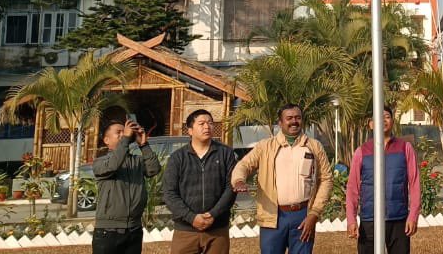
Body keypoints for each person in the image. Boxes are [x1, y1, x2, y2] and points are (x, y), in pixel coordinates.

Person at [232, 104, 334, 254]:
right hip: (273, 216)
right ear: (280, 123)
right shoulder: (265, 146)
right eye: (289, 118)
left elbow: (326, 179)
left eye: (298, 118)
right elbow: (244, 165)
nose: (294, 121)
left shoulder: (314, 146)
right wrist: (239, 180)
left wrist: (314, 213)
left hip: (303, 215)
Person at [346, 106, 421, 254]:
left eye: (386, 116)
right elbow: (352, 188)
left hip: (398, 218)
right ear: (371, 124)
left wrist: (413, 216)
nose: (383, 120)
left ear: (392, 121)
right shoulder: (362, 151)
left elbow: (414, 183)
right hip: (370, 219)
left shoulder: (405, 148)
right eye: (378, 117)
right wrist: (351, 219)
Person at [164, 110, 239, 254]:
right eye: (202, 123)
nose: (207, 127)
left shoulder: (225, 154)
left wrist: (213, 214)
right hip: (186, 230)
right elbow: (169, 193)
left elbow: (231, 187)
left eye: (210, 123)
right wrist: (191, 217)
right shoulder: (177, 158)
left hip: (217, 229)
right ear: (190, 130)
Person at [92, 118, 162, 254]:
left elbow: (154, 169)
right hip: (108, 231)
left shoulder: (137, 161)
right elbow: (113, 165)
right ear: (106, 140)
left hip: (134, 229)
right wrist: (125, 139)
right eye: (118, 132)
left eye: (125, 132)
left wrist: (144, 145)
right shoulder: (100, 162)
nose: (124, 134)